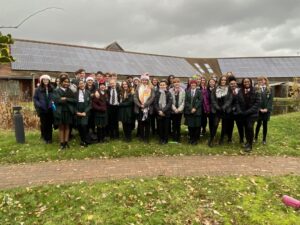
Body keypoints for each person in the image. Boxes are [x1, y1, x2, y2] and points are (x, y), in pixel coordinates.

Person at [236, 78, 260, 152]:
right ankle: (247, 142)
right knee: (246, 128)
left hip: (252, 114)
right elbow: (237, 102)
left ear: (250, 82)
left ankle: (250, 145)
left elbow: (257, 103)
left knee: (250, 127)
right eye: (245, 82)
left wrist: (248, 112)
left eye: (248, 81)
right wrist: (239, 111)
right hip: (243, 114)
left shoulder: (255, 91)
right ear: (243, 83)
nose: (246, 83)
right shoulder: (240, 91)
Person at [53, 75, 76, 150]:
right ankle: (61, 143)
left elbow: (74, 100)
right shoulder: (56, 90)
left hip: (68, 111)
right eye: (65, 82)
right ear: (61, 82)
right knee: (61, 127)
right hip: (60, 111)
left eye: (68, 82)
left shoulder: (70, 91)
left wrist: (65, 98)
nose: (66, 83)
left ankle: (66, 142)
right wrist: (64, 100)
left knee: (67, 127)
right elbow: (57, 100)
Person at [209, 75, 232, 147]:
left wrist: (224, 107)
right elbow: (212, 99)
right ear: (220, 81)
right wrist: (217, 107)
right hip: (217, 110)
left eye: (225, 80)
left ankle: (221, 140)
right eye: (222, 80)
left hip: (225, 110)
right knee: (215, 125)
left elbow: (230, 99)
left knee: (224, 126)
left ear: (226, 81)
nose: (223, 81)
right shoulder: (215, 88)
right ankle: (211, 139)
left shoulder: (229, 89)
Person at [134, 73, 155, 143]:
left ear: (148, 81)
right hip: (140, 108)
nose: (144, 81)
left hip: (148, 108)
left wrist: (145, 105)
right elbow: (135, 97)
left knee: (147, 123)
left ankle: (147, 138)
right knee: (141, 123)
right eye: (143, 80)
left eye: (146, 80)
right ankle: (141, 137)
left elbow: (152, 97)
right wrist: (140, 105)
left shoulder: (151, 87)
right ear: (141, 80)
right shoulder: (138, 87)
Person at [33, 74, 54, 144]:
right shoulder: (38, 89)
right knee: (44, 124)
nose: (46, 81)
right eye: (44, 79)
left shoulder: (52, 88)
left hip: (50, 109)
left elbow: (54, 97)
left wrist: (53, 102)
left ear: (49, 81)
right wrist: (39, 105)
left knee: (50, 124)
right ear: (42, 81)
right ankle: (45, 138)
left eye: (47, 79)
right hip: (42, 109)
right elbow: (35, 99)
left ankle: (50, 138)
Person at [254, 76, 273, 144]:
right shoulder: (256, 88)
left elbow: (270, 100)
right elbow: (254, 100)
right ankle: (255, 137)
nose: (261, 81)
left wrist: (267, 109)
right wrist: (259, 108)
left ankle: (264, 139)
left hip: (266, 111)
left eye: (262, 80)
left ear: (265, 81)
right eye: (259, 80)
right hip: (259, 110)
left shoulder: (270, 89)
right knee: (258, 124)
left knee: (265, 125)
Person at [184, 79, 202, 145]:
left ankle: (195, 139)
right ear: (190, 84)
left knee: (197, 126)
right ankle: (191, 138)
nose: (193, 85)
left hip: (197, 112)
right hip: (189, 111)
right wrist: (191, 108)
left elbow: (200, 101)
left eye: (194, 84)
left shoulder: (199, 92)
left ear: (196, 85)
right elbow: (186, 101)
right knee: (190, 126)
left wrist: (195, 108)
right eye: (192, 84)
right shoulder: (187, 91)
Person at [154, 80, 172, 144]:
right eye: (161, 85)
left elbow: (169, 104)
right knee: (160, 127)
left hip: (166, 113)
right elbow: (155, 103)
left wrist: (163, 111)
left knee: (166, 127)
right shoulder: (157, 93)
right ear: (159, 86)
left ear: (166, 85)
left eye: (163, 85)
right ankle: (161, 139)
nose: (162, 86)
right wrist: (159, 111)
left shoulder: (168, 93)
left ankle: (165, 139)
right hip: (159, 113)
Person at [228, 75, 244, 143]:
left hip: (239, 112)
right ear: (229, 85)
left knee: (240, 126)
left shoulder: (241, 91)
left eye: (234, 83)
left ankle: (241, 139)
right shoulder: (227, 92)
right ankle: (229, 139)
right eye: (231, 84)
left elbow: (243, 101)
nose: (233, 85)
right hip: (230, 112)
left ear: (236, 84)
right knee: (230, 126)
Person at [75, 80, 91, 147]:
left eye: (83, 83)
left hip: (85, 112)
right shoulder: (75, 93)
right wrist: (76, 112)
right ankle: (82, 140)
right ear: (78, 85)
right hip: (78, 112)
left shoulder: (88, 92)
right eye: (80, 83)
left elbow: (90, 104)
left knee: (84, 126)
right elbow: (73, 104)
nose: (82, 85)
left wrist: (85, 112)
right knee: (79, 127)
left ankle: (86, 141)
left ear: (85, 84)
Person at [169, 78, 185, 142]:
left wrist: (179, 109)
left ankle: (178, 136)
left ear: (179, 83)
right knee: (173, 124)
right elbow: (170, 101)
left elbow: (184, 101)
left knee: (178, 124)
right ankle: (174, 136)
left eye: (177, 82)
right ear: (173, 83)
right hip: (173, 110)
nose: (176, 83)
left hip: (179, 110)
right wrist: (175, 109)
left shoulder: (183, 91)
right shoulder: (170, 90)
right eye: (175, 82)